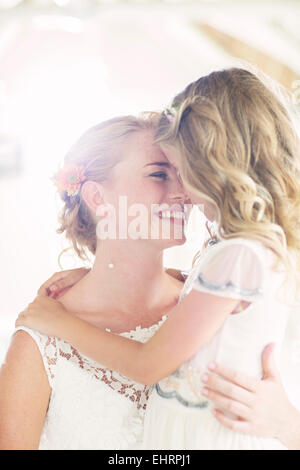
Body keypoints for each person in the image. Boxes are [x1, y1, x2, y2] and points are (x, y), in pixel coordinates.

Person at [17, 68, 300, 449]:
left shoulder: (218, 284)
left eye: (182, 172)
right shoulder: (39, 338)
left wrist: (287, 423)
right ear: (98, 198)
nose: (182, 192)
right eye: (159, 174)